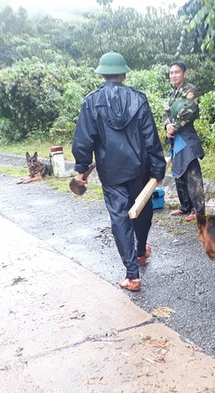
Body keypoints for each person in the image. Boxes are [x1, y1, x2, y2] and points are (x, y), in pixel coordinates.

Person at [71, 52, 166, 292]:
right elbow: (150, 136)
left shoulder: (91, 102)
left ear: (102, 74)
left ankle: (132, 276)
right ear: (124, 74)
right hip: (140, 168)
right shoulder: (138, 99)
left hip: (111, 172)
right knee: (142, 210)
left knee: (120, 217)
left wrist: (81, 169)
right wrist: (158, 167)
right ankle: (141, 252)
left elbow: (84, 140)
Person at [162, 61, 206, 222]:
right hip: (175, 138)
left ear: (184, 73)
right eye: (171, 72)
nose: (174, 75)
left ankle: (198, 210)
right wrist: (167, 125)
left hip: (187, 136)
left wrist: (176, 126)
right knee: (178, 172)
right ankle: (185, 206)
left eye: (177, 72)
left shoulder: (190, 90)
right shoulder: (173, 93)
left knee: (192, 173)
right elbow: (165, 112)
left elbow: (189, 111)